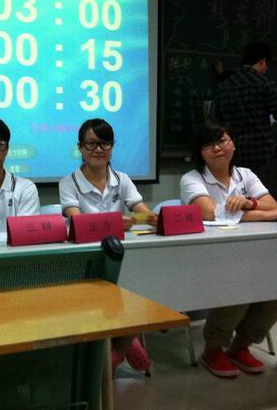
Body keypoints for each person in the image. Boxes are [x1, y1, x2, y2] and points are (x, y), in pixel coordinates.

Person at [180, 120, 277, 378]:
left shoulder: (246, 175)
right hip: (209, 258)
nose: (217, 148)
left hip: (252, 254)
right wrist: (266, 214)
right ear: (200, 152)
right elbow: (210, 213)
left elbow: (274, 205)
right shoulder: (192, 178)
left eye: (222, 141)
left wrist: (249, 203)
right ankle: (213, 350)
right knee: (239, 283)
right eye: (208, 144)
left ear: (233, 144)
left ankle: (240, 347)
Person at [59, 118, 155, 374]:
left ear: (112, 146)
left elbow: (142, 211)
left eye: (104, 144)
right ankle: (126, 340)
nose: (98, 150)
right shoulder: (69, 182)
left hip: (121, 255)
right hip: (85, 258)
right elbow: (76, 221)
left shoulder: (122, 179)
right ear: (80, 147)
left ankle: (120, 347)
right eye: (91, 144)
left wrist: (151, 218)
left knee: (141, 289)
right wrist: (113, 223)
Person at [212, 42, 277, 197]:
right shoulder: (263, 83)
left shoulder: (225, 85)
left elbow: (216, 120)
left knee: (237, 202)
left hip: (233, 155)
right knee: (264, 201)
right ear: (263, 61)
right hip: (261, 154)